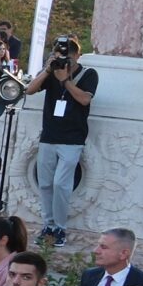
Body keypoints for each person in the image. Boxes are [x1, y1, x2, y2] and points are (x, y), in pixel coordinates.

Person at [24, 36, 96, 245]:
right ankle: (48, 224)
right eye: (60, 56)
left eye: (68, 58)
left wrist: (66, 80)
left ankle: (60, 228)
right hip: (49, 136)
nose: (65, 62)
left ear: (77, 56)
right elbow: (29, 90)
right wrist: (48, 70)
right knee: (45, 183)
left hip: (72, 139)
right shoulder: (52, 72)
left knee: (61, 184)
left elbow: (84, 99)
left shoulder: (89, 74)